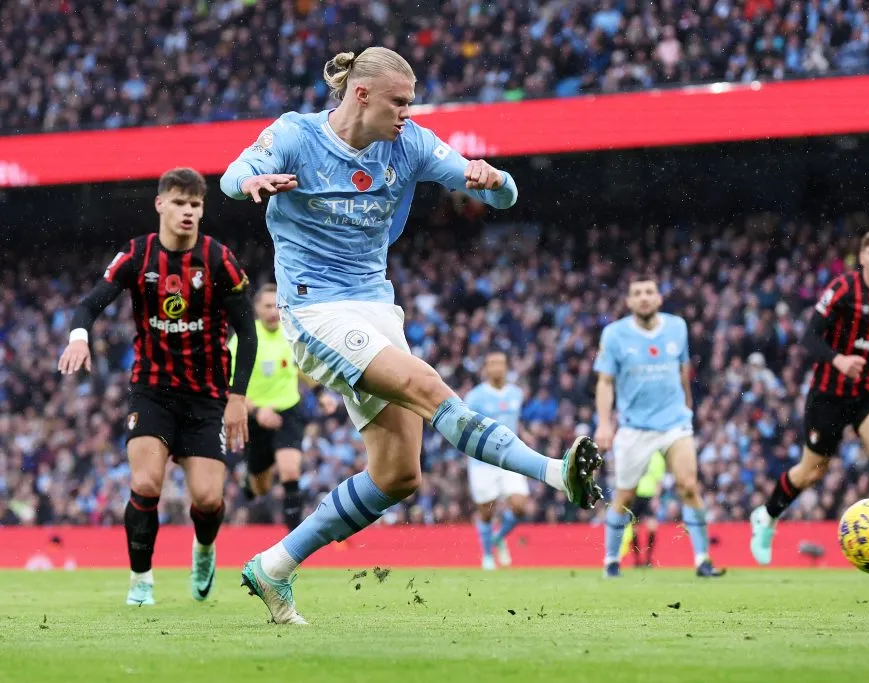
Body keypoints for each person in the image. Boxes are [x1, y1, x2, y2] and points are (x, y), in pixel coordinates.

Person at [220, 47, 603, 624]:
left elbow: (506, 194)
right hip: (315, 310)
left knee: (398, 475)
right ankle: (553, 472)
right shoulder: (295, 135)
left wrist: (493, 181)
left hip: (376, 308)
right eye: (399, 101)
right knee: (427, 384)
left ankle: (273, 567)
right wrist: (253, 182)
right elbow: (230, 176)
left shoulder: (412, 144)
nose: (407, 112)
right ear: (362, 94)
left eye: (411, 102)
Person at [58, 168, 256, 605]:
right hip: (152, 390)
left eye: (195, 205)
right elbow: (89, 305)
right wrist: (78, 336)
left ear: (202, 209)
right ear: (160, 204)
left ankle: (204, 549)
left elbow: (249, 331)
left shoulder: (218, 259)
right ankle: (141, 580)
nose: (188, 212)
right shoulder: (137, 255)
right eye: (180, 202)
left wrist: (237, 398)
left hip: (207, 397)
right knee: (146, 484)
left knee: (207, 499)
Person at [749, 228, 869, 577]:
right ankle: (766, 514)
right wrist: (839, 359)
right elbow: (808, 336)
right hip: (828, 393)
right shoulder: (843, 289)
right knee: (812, 472)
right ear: (862, 257)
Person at [594, 277, 725, 578]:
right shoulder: (614, 334)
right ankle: (611, 560)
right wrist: (604, 423)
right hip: (634, 427)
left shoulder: (677, 327)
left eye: (649, 292)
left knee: (689, 486)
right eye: (637, 293)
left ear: (659, 298)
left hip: (675, 423)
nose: (644, 297)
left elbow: (683, 370)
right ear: (628, 301)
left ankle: (703, 560)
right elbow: (604, 381)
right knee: (625, 496)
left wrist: (688, 407)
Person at [228, 283, 338, 531]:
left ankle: (294, 540)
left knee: (290, 471)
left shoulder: (291, 334)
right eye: (267, 306)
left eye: (276, 305)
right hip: (255, 417)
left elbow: (301, 368)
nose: (273, 311)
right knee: (261, 487)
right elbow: (229, 386)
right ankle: (251, 480)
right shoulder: (243, 338)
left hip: (288, 410)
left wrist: (321, 394)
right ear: (256, 308)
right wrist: (257, 411)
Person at [464, 351, 530, 570]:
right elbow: (466, 427)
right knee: (486, 511)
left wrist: (524, 434)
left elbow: (512, 422)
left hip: (510, 459)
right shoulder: (475, 397)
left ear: (507, 366)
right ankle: (487, 556)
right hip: (483, 461)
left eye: (501, 363)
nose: (497, 368)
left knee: (520, 505)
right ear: (486, 368)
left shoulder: (516, 394)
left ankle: (498, 538)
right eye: (492, 364)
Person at [624, 450, 665, 568]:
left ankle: (648, 559)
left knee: (652, 527)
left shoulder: (657, 458)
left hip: (649, 496)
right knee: (634, 529)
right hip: (635, 496)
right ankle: (637, 560)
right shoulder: (636, 453)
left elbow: (658, 481)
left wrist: (656, 498)